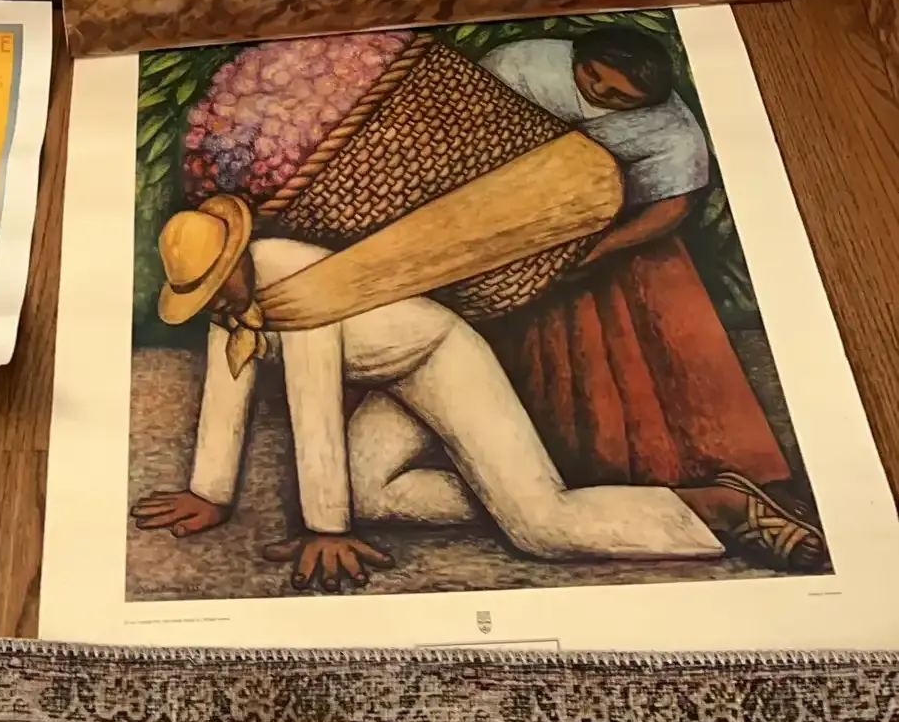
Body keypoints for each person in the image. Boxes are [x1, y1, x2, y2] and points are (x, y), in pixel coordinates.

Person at [132, 194, 824, 592]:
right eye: (202, 291)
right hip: (391, 377)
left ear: (238, 256)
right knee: (374, 494)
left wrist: (326, 530)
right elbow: (228, 381)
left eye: (215, 283)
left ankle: (720, 508)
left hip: (440, 358)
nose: (212, 300)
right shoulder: (234, 303)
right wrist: (209, 492)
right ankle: (513, 492)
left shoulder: (295, 282)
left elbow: (313, 402)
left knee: (542, 529)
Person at [479, 27, 812, 534]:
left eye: (621, 98)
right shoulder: (520, 63)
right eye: (593, 77)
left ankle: (720, 478)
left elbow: (672, 205)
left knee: (656, 349)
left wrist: (602, 248)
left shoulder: (674, 135)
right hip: (516, 218)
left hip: (621, 238)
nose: (600, 93)